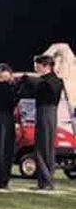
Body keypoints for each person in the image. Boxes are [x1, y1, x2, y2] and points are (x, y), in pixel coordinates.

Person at [19, 54, 64, 190]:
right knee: (44, 146)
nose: (35, 68)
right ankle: (45, 181)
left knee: (44, 147)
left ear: (46, 66)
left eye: (37, 65)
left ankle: (46, 181)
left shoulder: (54, 81)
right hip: (44, 113)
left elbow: (47, 86)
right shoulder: (44, 81)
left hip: (47, 113)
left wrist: (29, 79)